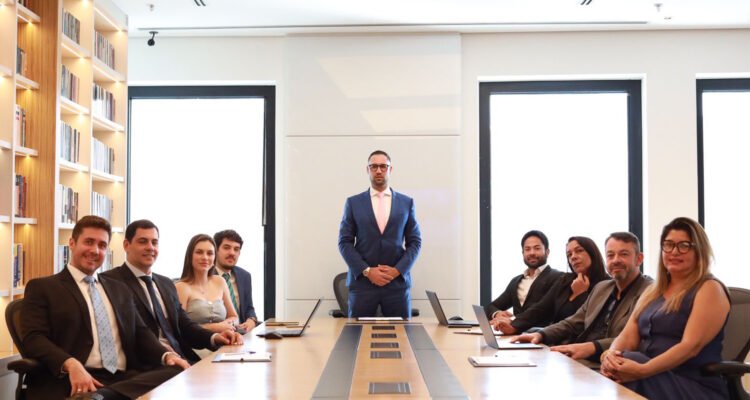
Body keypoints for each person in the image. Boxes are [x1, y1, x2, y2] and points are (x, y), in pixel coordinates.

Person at [21, 216, 189, 399]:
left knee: (176, 370)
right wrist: (70, 363)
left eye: (102, 245)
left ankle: (101, 396)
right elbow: (33, 338)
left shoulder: (118, 288)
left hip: (122, 378)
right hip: (73, 378)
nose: (95, 250)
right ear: (72, 243)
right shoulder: (44, 287)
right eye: (89, 242)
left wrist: (167, 355)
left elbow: (140, 332)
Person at [601, 217, 730, 399]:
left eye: (684, 245)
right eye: (668, 245)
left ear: (699, 251)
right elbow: (627, 336)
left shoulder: (709, 288)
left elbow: (690, 346)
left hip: (692, 384)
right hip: (651, 377)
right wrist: (610, 355)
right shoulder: (652, 291)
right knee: (620, 362)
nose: (674, 252)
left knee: (629, 361)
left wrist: (642, 370)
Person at [102, 220, 242, 364]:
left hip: (181, 357)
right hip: (149, 363)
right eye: (143, 242)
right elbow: (134, 333)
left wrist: (215, 338)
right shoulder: (111, 282)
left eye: (154, 242)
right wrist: (166, 355)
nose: (150, 247)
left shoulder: (165, 284)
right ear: (126, 245)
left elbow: (185, 326)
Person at [512, 232, 653, 365]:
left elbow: (634, 339)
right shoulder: (601, 288)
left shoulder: (650, 291)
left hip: (609, 362)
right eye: (610, 255)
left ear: (639, 259)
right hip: (579, 357)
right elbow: (573, 322)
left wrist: (590, 347)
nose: (615, 260)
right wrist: (541, 334)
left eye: (623, 254)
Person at [338, 150, 422, 318]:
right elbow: (344, 242)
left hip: (396, 286)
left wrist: (397, 271)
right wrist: (367, 271)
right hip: (363, 286)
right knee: (357, 333)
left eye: (383, 166)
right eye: (374, 166)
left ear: (390, 169)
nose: (378, 170)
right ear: (367, 170)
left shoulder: (406, 203)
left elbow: (415, 242)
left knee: (402, 333)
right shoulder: (353, 203)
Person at [493, 236, 609, 334]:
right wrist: (513, 325)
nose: (573, 257)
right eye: (569, 254)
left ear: (592, 253)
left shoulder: (607, 284)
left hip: (580, 345)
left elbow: (589, 323)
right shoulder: (564, 280)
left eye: (579, 251)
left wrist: (580, 295)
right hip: (554, 341)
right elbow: (540, 309)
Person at [485, 230, 564, 323]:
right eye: (527, 249)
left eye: (537, 248)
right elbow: (490, 307)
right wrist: (497, 314)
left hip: (541, 332)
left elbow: (544, 312)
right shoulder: (515, 282)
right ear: (523, 253)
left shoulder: (559, 278)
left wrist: (512, 320)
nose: (532, 253)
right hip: (513, 331)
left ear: (547, 252)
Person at [175, 234, 240, 335]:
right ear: (190, 256)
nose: (205, 257)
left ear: (214, 258)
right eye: (199, 252)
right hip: (196, 343)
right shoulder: (181, 287)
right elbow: (179, 327)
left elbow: (234, 317)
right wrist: (214, 327)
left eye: (210, 253)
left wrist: (228, 324)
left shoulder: (220, 282)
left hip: (224, 340)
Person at [214, 229, 259, 331]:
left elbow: (249, 308)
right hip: (218, 332)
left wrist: (251, 320)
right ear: (215, 250)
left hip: (242, 332)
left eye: (236, 249)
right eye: (226, 248)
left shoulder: (244, 276)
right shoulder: (206, 276)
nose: (232, 253)